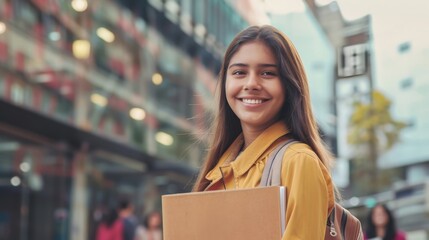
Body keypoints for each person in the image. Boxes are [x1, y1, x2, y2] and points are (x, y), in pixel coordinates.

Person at [192, 25, 336, 239]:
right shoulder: (221, 168)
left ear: (289, 85)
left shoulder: (298, 162)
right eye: (239, 72)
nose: (251, 84)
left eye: (267, 73)